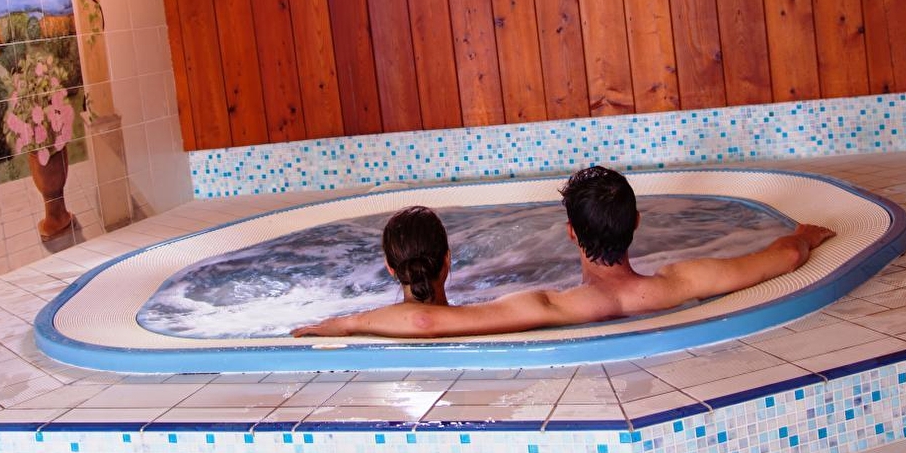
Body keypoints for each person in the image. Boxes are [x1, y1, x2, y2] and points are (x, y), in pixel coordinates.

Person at [293, 165, 833, 340]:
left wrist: (344, 323)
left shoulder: (556, 308)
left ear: (571, 234)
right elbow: (784, 259)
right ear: (637, 224)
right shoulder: (683, 283)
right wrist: (804, 236)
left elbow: (424, 320)